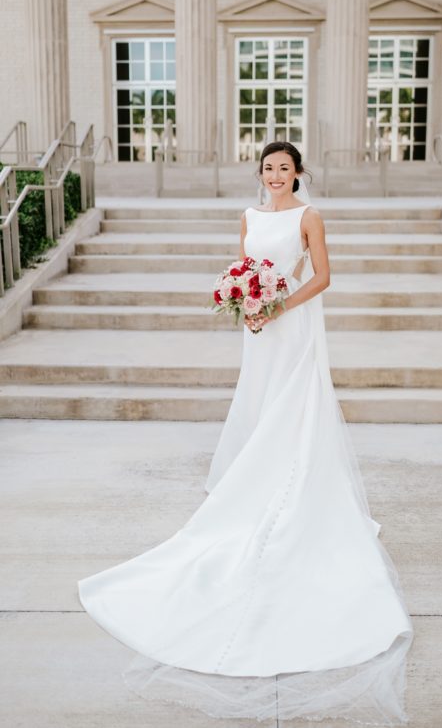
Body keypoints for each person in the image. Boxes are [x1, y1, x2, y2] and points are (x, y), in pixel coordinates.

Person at [77, 141, 414, 724]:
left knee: (293, 408)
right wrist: (244, 304)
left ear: (299, 173)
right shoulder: (249, 218)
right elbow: (241, 271)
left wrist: (279, 305)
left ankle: (293, 486)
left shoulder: (309, 217)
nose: (276, 176)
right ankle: (256, 480)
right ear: (259, 175)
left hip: (293, 326)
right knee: (258, 408)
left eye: (285, 168)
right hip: (259, 332)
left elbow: (324, 276)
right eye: (268, 168)